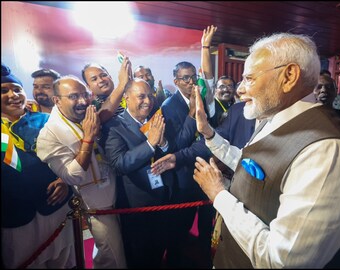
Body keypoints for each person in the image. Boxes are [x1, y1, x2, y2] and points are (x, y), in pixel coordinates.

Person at [192, 33, 340, 268]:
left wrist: (219, 195)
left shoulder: (327, 150)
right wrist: (210, 134)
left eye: (249, 78)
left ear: (288, 76)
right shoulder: (271, 119)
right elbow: (257, 168)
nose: (240, 89)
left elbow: (282, 260)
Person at [36, 57, 131, 268]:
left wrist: (123, 83)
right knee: (115, 257)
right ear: (57, 101)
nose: (82, 101)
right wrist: (88, 139)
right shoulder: (49, 135)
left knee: (110, 247)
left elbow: (104, 113)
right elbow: (73, 176)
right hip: (96, 204)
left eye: (83, 95)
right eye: (73, 97)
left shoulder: (82, 114)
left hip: (116, 192)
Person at [1, 63, 75, 269]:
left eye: (17, 89)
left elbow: (73, 156)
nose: (13, 95)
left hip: (56, 210)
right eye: (3, 91)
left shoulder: (45, 120)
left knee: (63, 260)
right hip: (15, 218)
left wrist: (65, 180)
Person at [99, 78, 175, 268]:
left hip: (162, 198)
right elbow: (119, 164)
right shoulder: (114, 126)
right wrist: (150, 144)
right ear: (126, 97)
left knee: (158, 250)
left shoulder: (155, 119)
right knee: (139, 255)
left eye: (150, 96)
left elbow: (166, 150)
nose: (148, 101)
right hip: (135, 204)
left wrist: (163, 142)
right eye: (141, 96)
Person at [160, 25, 217, 268]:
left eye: (193, 76)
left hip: (207, 171)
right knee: (179, 229)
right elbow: (176, 146)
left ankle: (204, 260)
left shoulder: (202, 96)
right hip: (182, 178)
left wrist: (205, 47)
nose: (191, 81)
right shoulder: (168, 106)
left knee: (206, 226)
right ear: (176, 80)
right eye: (185, 78)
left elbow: (210, 79)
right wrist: (192, 115)